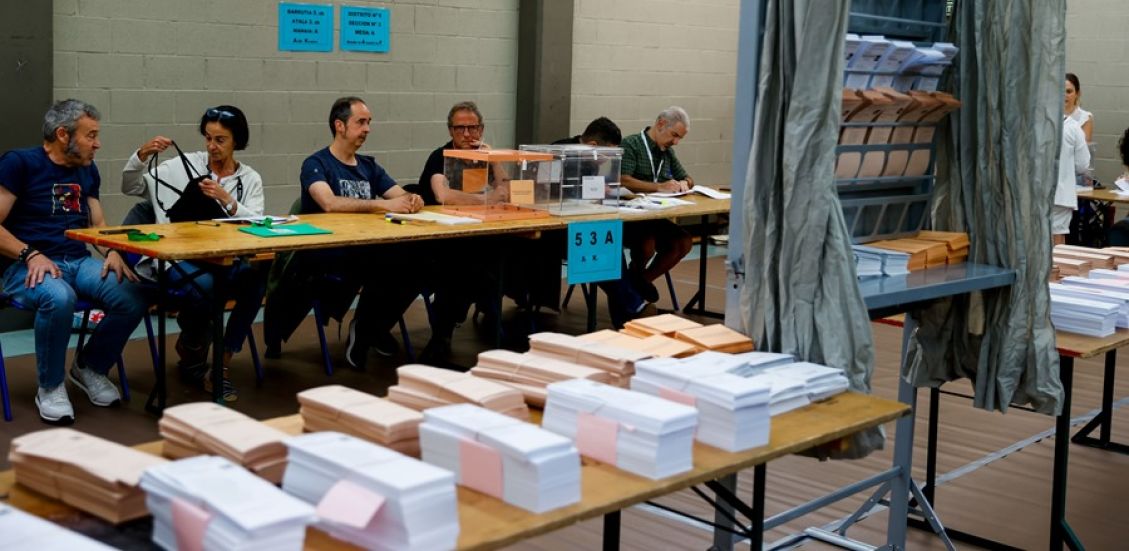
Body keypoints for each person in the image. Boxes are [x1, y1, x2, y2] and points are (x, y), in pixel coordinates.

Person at [0, 99, 146, 424]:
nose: (98, 143)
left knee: (133, 294)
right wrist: (30, 254)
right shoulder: (19, 163)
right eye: (90, 135)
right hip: (22, 264)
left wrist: (111, 251)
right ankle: (50, 387)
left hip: (77, 261)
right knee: (59, 297)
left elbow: (97, 223)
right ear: (63, 135)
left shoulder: (86, 169)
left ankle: (89, 366)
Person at [264, 96, 425, 370]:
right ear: (339, 125)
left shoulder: (369, 166)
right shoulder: (316, 164)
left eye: (369, 122)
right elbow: (329, 203)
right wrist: (384, 204)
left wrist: (413, 199)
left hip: (364, 250)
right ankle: (367, 332)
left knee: (416, 264)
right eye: (360, 122)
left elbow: (400, 194)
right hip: (325, 255)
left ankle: (367, 329)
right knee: (389, 264)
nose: (367, 128)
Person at [121, 105, 266, 402]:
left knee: (255, 279)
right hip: (179, 260)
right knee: (208, 287)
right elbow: (131, 186)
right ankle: (193, 345)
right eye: (208, 138)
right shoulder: (184, 165)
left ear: (236, 141)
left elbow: (259, 223)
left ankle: (221, 363)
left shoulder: (250, 178)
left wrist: (228, 201)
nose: (212, 146)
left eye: (220, 140)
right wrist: (141, 156)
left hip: (226, 260)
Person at [618, 106, 695, 304]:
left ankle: (637, 283)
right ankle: (635, 286)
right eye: (674, 135)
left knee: (684, 242)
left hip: (654, 216)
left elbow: (687, 177)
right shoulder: (632, 144)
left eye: (680, 139)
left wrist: (685, 182)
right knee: (647, 244)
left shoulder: (666, 152)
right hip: (631, 216)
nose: (675, 142)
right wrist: (659, 187)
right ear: (661, 124)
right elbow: (623, 179)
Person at [1054, 114, 1090, 246]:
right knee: (1057, 238)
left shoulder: (1030, 122)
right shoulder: (1073, 128)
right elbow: (1082, 165)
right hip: (1060, 195)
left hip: (1029, 194)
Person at [1065, 73, 1094, 143]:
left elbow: (1084, 149)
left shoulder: (1085, 118)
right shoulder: (1051, 116)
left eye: (1068, 91)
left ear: (1077, 94)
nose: (1064, 95)